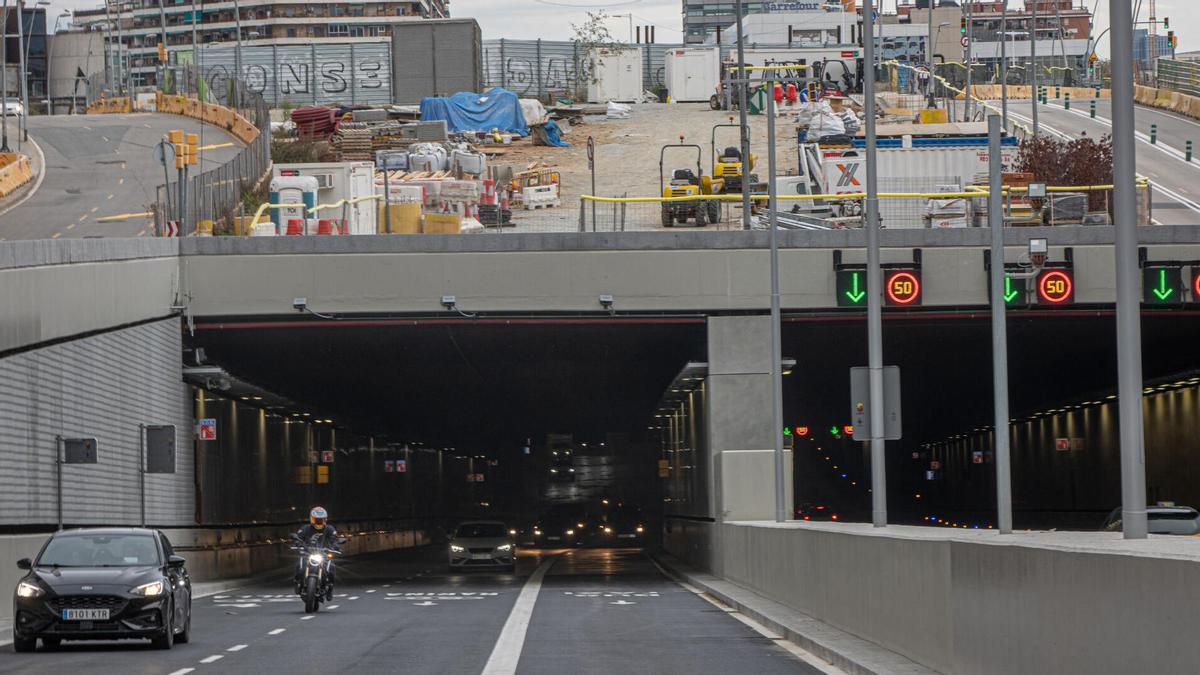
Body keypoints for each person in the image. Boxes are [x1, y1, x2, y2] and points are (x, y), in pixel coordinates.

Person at [293, 506, 341, 598]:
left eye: (321, 520)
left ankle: (330, 587)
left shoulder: (330, 529)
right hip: (308, 552)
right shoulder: (305, 528)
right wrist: (298, 543)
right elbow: (298, 538)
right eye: (316, 520)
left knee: (331, 568)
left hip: (323, 554)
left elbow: (335, 540)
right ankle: (297, 582)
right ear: (311, 519)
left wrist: (335, 547)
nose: (318, 522)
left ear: (325, 520)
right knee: (299, 566)